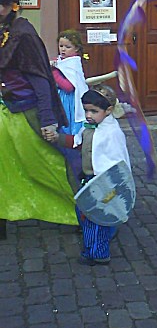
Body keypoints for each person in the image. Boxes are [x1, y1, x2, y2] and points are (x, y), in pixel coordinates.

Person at [0, 0, 77, 240]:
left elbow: (40, 79)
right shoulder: (4, 29)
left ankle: (85, 213)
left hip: (26, 112)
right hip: (6, 112)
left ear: (7, 7)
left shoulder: (24, 34)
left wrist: (47, 120)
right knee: (5, 168)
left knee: (51, 163)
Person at [56, 84, 131, 265]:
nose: (88, 115)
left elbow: (118, 162)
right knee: (86, 214)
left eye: (94, 111)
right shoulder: (89, 126)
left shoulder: (111, 133)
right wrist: (56, 138)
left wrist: (113, 186)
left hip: (103, 183)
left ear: (108, 110)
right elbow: (78, 142)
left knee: (97, 218)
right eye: (86, 110)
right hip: (89, 180)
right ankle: (92, 247)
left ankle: (98, 253)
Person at [52, 29, 88, 136]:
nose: (63, 50)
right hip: (59, 97)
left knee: (67, 124)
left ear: (76, 48)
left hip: (69, 100)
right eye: (61, 46)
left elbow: (68, 87)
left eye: (68, 47)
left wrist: (54, 72)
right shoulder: (60, 61)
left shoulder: (73, 63)